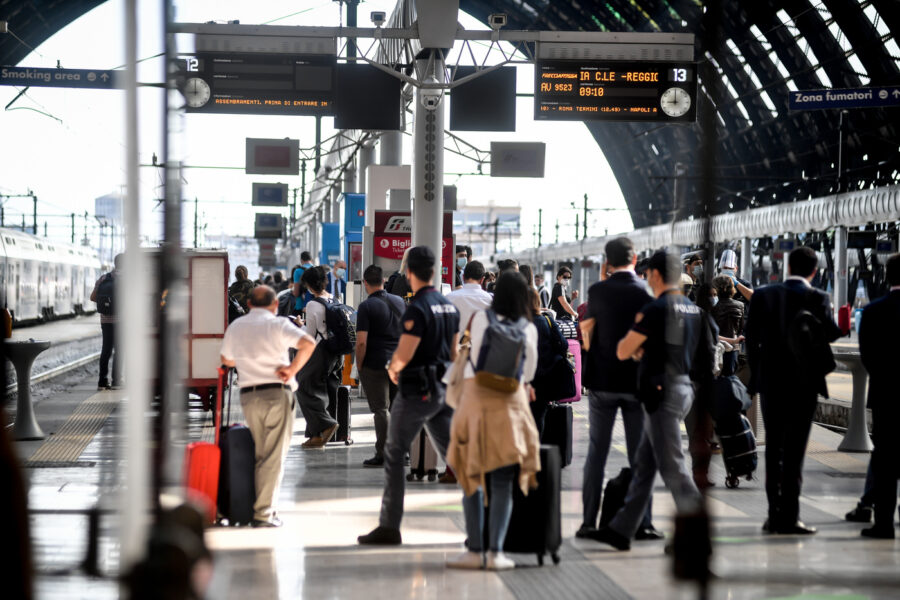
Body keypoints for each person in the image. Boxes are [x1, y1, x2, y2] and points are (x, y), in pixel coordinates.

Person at [590, 250, 706, 551]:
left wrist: (641, 349)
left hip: (661, 394)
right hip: (683, 389)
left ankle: (695, 534)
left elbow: (623, 351)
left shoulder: (656, 308)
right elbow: (705, 352)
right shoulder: (693, 308)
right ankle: (621, 530)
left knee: (674, 467)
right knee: (644, 466)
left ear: (654, 274)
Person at [358, 246, 460, 546]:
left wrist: (393, 369)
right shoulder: (449, 306)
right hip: (442, 387)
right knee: (455, 454)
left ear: (410, 272)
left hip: (417, 390)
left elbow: (403, 355)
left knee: (393, 453)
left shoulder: (418, 307)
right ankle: (485, 513)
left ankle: (389, 526)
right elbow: (454, 354)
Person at [445, 271, 541, 571]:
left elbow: (467, 355)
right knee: (502, 481)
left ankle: (474, 550)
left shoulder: (480, 319)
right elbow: (529, 374)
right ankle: (496, 553)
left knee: (471, 475)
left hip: (475, 398)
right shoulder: (529, 327)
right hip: (510, 402)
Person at [745, 246, 841, 535]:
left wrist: (757, 374)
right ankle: (791, 516)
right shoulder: (818, 297)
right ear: (813, 271)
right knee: (796, 451)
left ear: (787, 267)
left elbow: (750, 339)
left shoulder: (762, 295)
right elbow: (830, 333)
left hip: (771, 383)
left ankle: (773, 515)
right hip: (805, 385)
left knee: (774, 448)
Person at [577, 238, 661, 541]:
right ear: (635, 258)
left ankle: (588, 522)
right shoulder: (646, 293)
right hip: (636, 384)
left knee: (596, 453)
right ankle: (643, 522)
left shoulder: (597, 291)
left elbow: (587, 330)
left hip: (601, 382)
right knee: (641, 456)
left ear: (608, 263)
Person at [219, 286, 317, 527]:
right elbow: (308, 343)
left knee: (262, 451)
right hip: (276, 393)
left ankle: (257, 505)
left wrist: (246, 357)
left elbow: (226, 360)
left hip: (249, 396)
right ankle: (263, 514)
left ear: (250, 304)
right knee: (272, 455)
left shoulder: (237, 326)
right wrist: (292, 370)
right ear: (274, 306)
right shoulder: (279, 324)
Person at [857, 253, 900, 539]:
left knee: (885, 459)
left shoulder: (873, 312)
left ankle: (883, 523)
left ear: (887, 276)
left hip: (886, 396)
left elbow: (867, 357)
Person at [356, 265, 406, 468]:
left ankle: (384, 453)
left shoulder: (366, 307)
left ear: (365, 283)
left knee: (381, 410)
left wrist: (359, 366)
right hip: (399, 363)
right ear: (384, 281)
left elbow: (361, 342)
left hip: (375, 364)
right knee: (397, 409)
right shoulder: (399, 301)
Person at [296, 266, 341, 449]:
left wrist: (299, 325)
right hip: (336, 353)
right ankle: (315, 436)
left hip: (320, 352)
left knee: (303, 386)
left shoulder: (313, 304)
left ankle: (326, 423)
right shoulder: (333, 298)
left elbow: (310, 335)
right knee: (324, 391)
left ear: (309, 285)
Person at [529, 289, 567, 435]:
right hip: (544, 377)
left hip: (523, 379)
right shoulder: (547, 321)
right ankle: (536, 449)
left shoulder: (517, 322)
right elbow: (563, 345)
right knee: (539, 415)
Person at [91, 253, 123, 390]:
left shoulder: (103, 278)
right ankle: (116, 381)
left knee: (106, 350)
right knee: (120, 351)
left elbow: (93, 297)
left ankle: (102, 381)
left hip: (105, 320)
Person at [710, 275, 745, 377]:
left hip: (717, 347)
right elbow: (740, 328)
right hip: (733, 348)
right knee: (729, 379)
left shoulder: (713, 307)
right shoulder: (740, 305)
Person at [447, 261, 492, 334]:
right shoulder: (489, 300)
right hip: (480, 344)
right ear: (482, 280)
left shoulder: (450, 297)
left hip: (455, 344)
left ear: (463, 277)